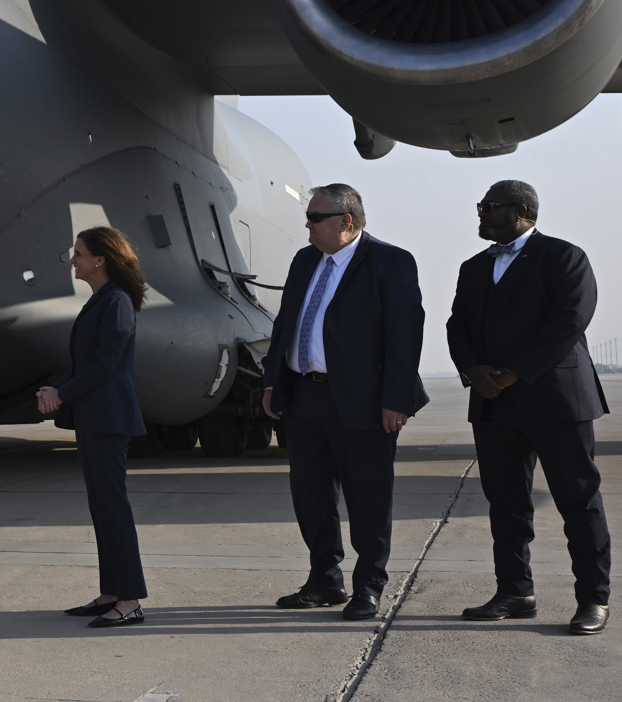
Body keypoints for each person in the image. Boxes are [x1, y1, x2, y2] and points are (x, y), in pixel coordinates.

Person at [447, 180, 611, 635]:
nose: (480, 213)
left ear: (520, 210)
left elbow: (569, 320)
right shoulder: (473, 267)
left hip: (556, 400)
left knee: (578, 502)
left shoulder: (563, 256)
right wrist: (474, 371)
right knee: (506, 504)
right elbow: (457, 324)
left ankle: (593, 600)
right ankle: (515, 591)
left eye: (489, 207)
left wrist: (515, 371)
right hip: (493, 403)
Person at [261, 184, 428, 621]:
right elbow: (285, 326)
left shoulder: (390, 262)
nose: (308, 225)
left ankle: (369, 586)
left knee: (367, 497)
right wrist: (271, 384)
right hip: (304, 395)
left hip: (365, 402)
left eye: (315, 218)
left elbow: (405, 336)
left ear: (345, 222)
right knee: (310, 494)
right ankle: (324, 581)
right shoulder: (304, 261)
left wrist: (397, 400)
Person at [37, 226, 149, 628]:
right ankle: (112, 593)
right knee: (101, 507)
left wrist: (61, 395)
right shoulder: (101, 300)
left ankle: (130, 600)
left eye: (79, 254)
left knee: (113, 506)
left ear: (100, 259)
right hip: (93, 416)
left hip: (108, 417)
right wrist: (58, 386)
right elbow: (86, 364)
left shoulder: (115, 301)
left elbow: (105, 365)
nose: (73, 261)